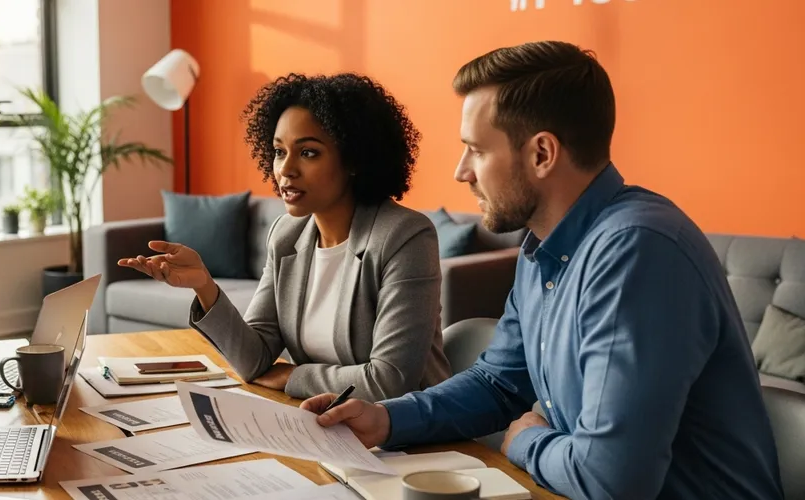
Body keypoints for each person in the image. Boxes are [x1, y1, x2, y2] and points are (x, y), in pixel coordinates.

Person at [300, 41, 783, 499]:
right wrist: (385, 419)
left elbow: (610, 482)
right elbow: (498, 383)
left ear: (542, 154)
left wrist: (525, 440)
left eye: (477, 150)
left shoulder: (637, 251)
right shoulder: (544, 248)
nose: (461, 171)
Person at [120, 73, 452, 402]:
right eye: (279, 151)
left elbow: (390, 382)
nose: (286, 170)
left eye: (308, 152)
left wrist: (293, 376)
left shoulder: (404, 237)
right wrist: (204, 286)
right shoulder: (286, 235)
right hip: (321, 419)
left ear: (353, 159)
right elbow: (254, 361)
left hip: (408, 427)